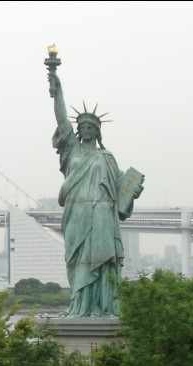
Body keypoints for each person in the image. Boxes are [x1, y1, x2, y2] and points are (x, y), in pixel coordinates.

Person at [48, 69, 143, 318]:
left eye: (91, 126)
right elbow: (61, 121)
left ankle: (102, 306)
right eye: (83, 126)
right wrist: (57, 88)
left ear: (98, 131)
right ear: (78, 130)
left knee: (102, 262)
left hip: (101, 214)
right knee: (78, 261)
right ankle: (80, 305)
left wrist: (134, 191)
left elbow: (122, 188)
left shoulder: (106, 157)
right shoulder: (72, 150)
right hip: (76, 213)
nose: (87, 129)